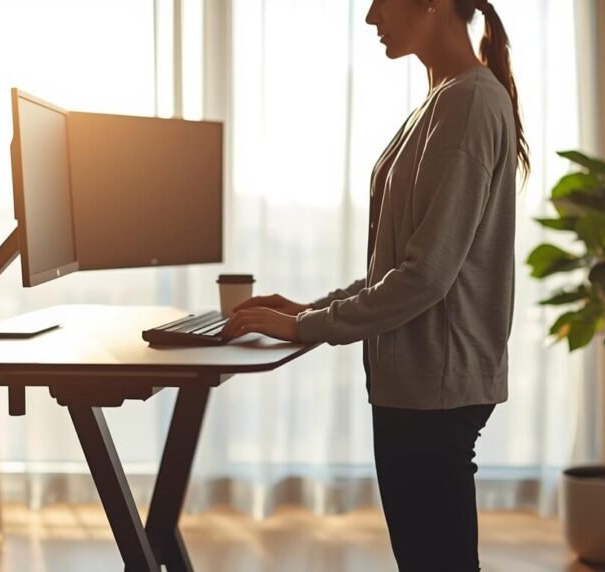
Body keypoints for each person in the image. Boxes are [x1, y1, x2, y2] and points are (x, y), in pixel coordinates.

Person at [221, 0, 528, 569]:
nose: (369, 17)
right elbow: (408, 264)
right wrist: (312, 307)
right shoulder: (445, 100)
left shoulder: (467, 102)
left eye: (380, 1)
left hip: (434, 387)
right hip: (421, 384)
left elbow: (427, 276)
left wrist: (308, 326)